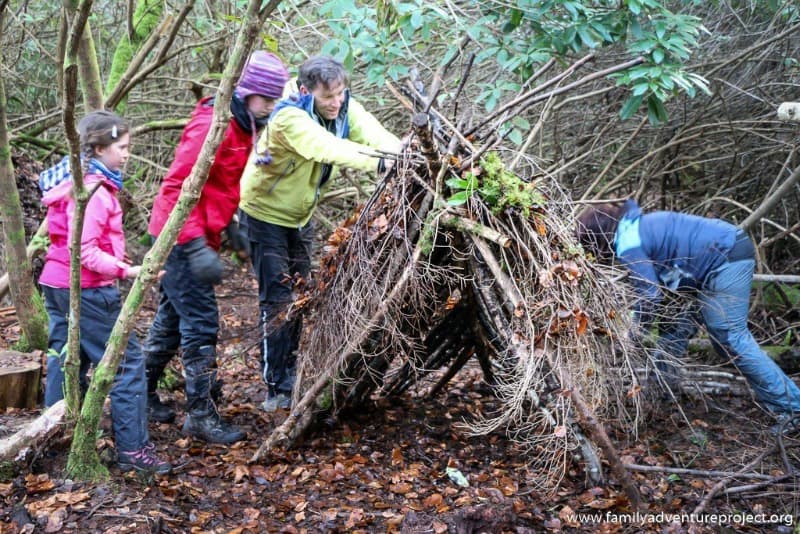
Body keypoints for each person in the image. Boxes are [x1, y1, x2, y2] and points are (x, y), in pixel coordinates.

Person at [238, 55, 402, 412]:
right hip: (264, 215)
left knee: (301, 292)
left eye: (340, 93)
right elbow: (324, 147)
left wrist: (403, 153)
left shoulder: (344, 108)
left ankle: (291, 370)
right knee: (279, 299)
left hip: (300, 216)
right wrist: (379, 162)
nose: (336, 102)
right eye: (328, 96)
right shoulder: (289, 118)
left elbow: (373, 132)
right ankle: (276, 384)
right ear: (305, 91)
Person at [143, 51, 290, 444]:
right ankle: (200, 416)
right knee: (202, 322)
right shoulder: (214, 122)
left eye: (276, 99)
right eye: (267, 99)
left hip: (202, 234)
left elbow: (220, 186)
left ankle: (138, 394)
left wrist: (232, 227)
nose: (272, 107)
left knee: (173, 321)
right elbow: (177, 187)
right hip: (177, 237)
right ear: (247, 92)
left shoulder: (246, 125)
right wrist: (192, 246)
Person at [576, 199, 800, 434]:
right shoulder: (633, 226)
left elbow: (650, 297)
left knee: (731, 338)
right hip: (712, 261)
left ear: (597, 238)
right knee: (674, 328)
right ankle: (662, 394)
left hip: (725, 258)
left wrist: (631, 334)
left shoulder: (628, 242)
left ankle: (793, 409)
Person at [39, 110, 171, 474]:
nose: (127, 154)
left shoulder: (73, 180)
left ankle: (56, 441)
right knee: (126, 362)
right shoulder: (94, 190)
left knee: (67, 359)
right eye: (122, 147)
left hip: (56, 282)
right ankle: (134, 450)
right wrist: (126, 270)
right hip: (87, 288)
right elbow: (83, 250)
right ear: (98, 149)